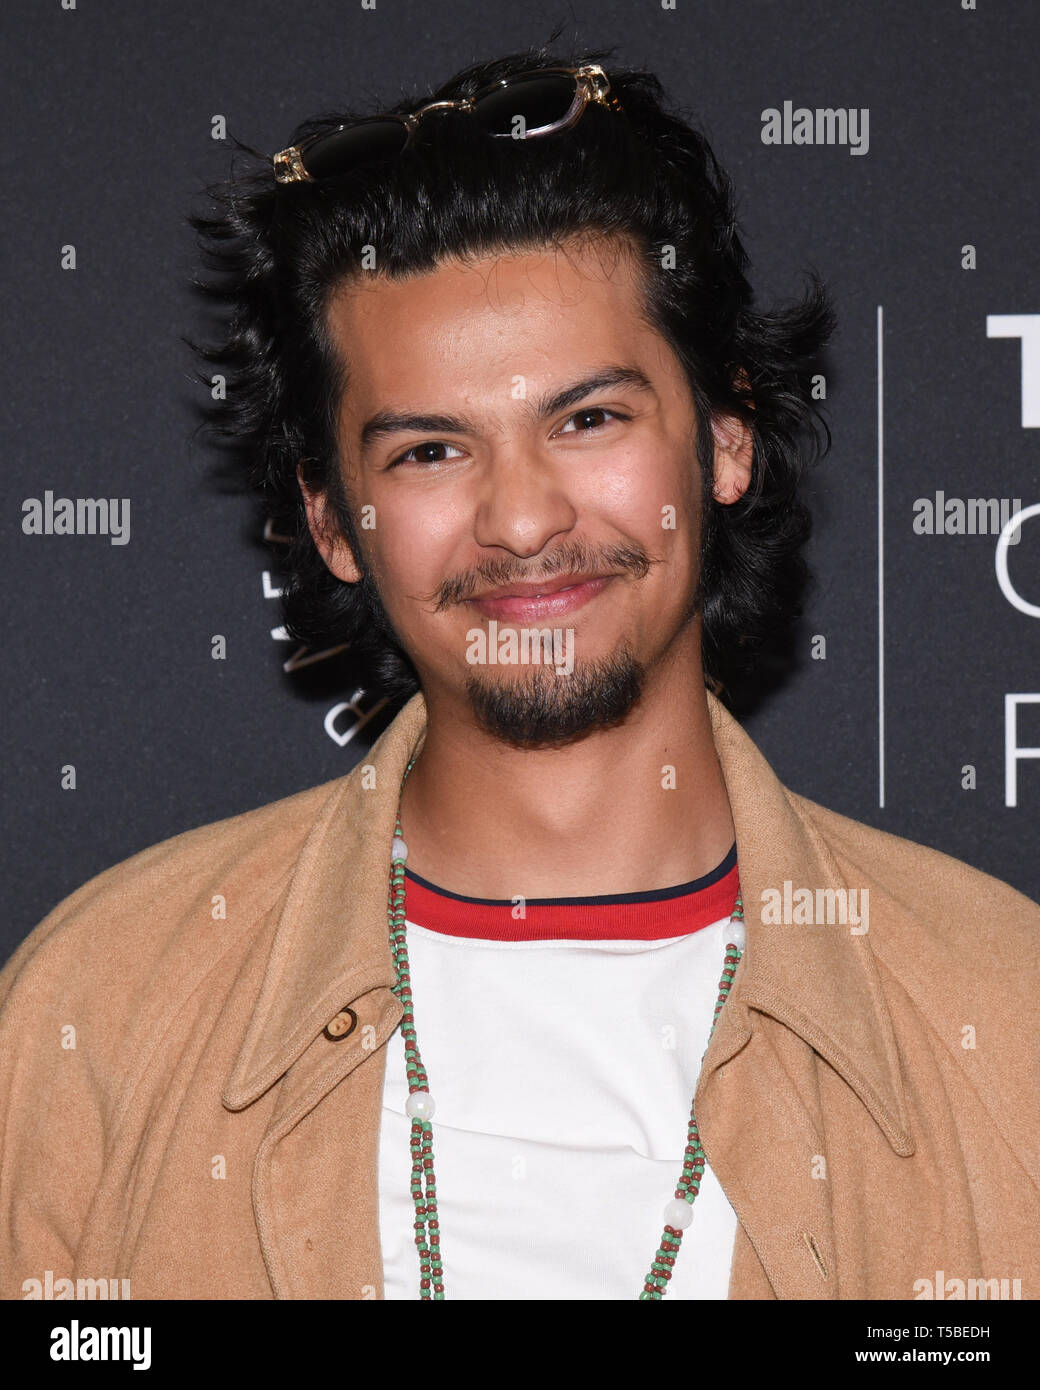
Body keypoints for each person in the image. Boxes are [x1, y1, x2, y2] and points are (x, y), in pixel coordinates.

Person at [2, 44, 1037, 1303]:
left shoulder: (1004, 1017)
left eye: (587, 419)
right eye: (432, 449)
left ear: (722, 442)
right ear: (332, 523)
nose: (523, 519)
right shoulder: (95, 1012)